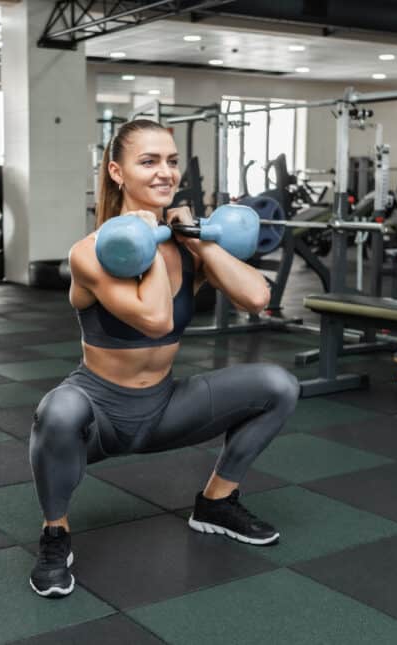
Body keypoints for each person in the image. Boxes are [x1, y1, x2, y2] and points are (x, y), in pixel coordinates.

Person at [28, 119, 300, 598]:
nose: (165, 173)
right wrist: (150, 235)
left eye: (171, 161)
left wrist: (198, 242)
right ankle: (55, 534)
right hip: (99, 416)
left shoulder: (188, 246)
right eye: (149, 161)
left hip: (165, 407)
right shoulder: (88, 254)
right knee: (57, 410)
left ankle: (216, 502)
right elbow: (153, 319)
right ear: (117, 171)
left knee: (279, 386)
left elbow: (259, 297)